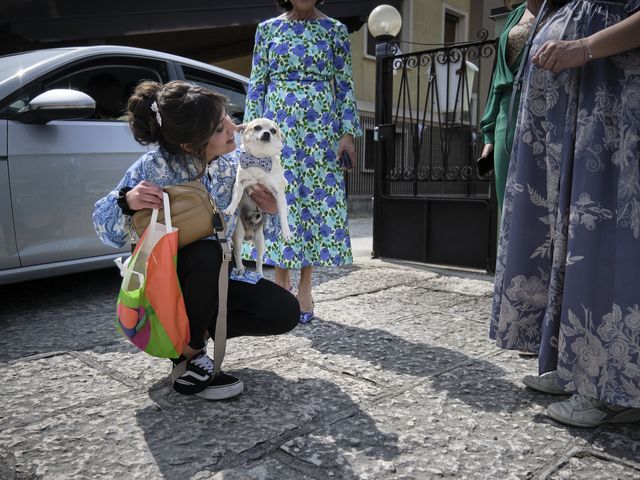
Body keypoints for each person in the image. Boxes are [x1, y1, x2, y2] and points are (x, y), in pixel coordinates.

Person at [93, 80, 299, 400]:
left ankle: (195, 330)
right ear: (191, 144)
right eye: (219, 128)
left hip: (217, 276)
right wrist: (126, 201)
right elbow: (108, 234)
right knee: (206, 250)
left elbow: (258, 232)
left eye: (228, 117)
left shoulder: (235, 164)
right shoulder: (155, 166)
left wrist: (267, 210)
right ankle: (188, 353)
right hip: (166, 285)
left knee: (285, 311)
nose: (233, 128)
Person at [490, 0, 640, 427]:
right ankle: (578, 365)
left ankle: (614, 388)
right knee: (570, 231)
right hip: (575, 94)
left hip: (612, 86)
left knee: (605, 228)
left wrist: (586, 47)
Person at [243, 0, 363, 324]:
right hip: (277, 130)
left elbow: (345, 85)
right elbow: (257, 85)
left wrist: (347, 134)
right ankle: (281, 280)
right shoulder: (268, 30)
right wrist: (251, 134)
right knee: (279, 198)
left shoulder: (335, 30)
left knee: (311, 204)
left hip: (320, 131)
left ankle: (306, 284)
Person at [479, 1, 537, 208]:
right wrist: (489, 132)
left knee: (537, 203)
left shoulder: (563, 7)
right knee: (508, 206)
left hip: (543, 109)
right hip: (507, 116)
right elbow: (498, 79)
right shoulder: (517, 13)